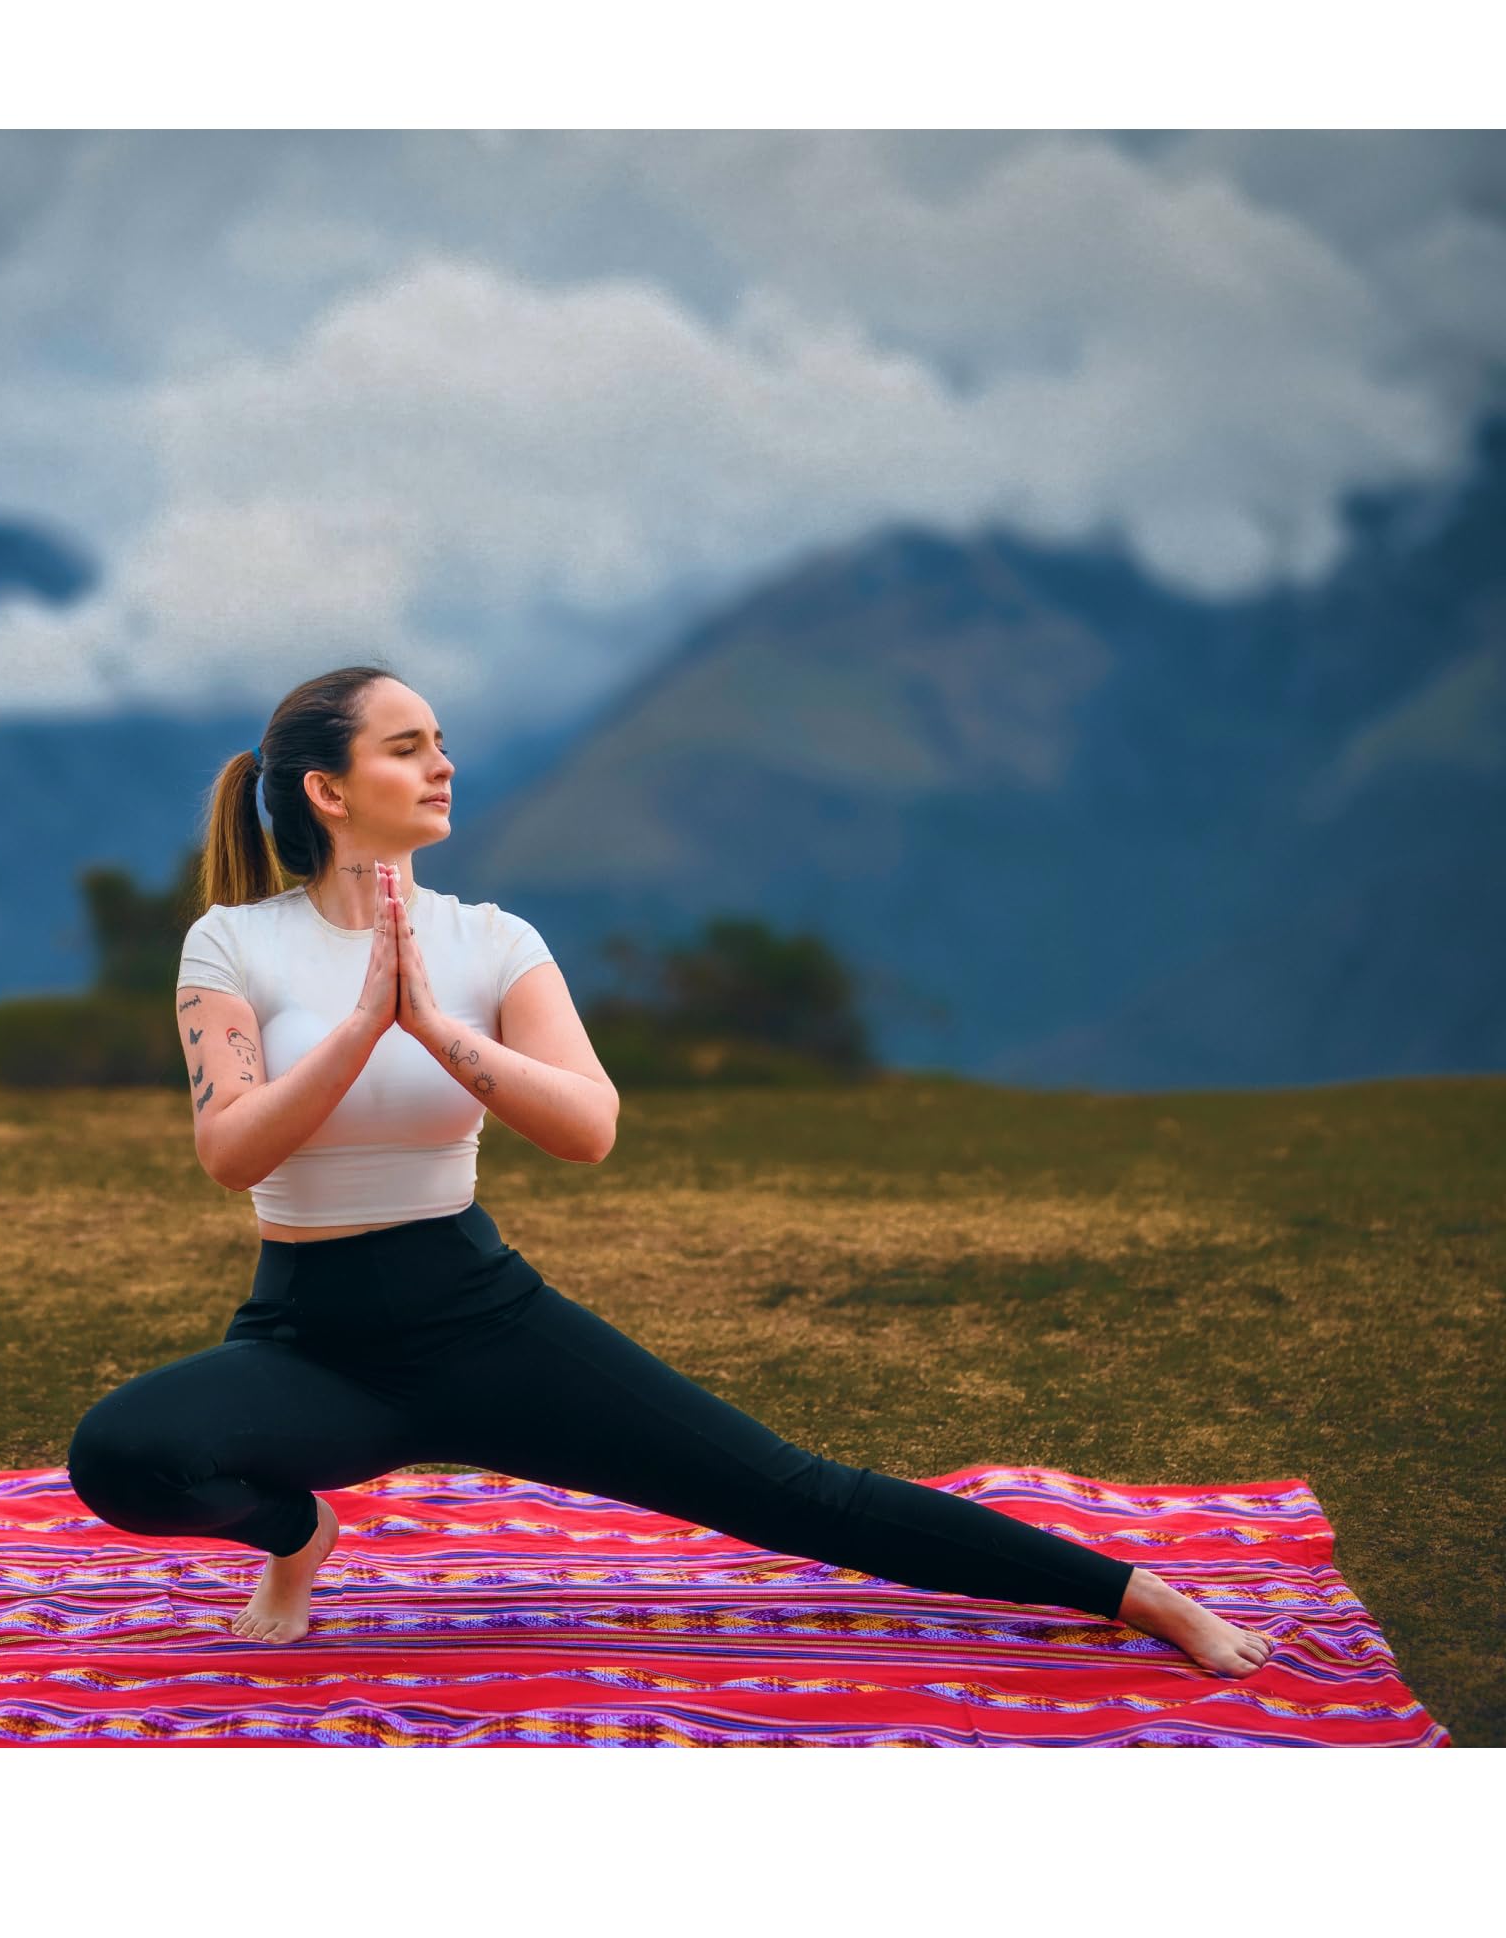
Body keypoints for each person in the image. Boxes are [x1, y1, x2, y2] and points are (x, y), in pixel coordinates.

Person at [67, 665, 1276, 1677]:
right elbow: (232, 1152)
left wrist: (438, 1029)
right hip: (309, 1337)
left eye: (441, 742)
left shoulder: (492, 940)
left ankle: (1133, 1594)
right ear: (328, 789)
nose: (441, 765)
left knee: (797, 1493)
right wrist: (359, 1026)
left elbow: (587, 1125)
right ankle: (303, 1527)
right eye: (406, 747)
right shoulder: (234, 940)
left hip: (480, 1315)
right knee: (123, 1457)